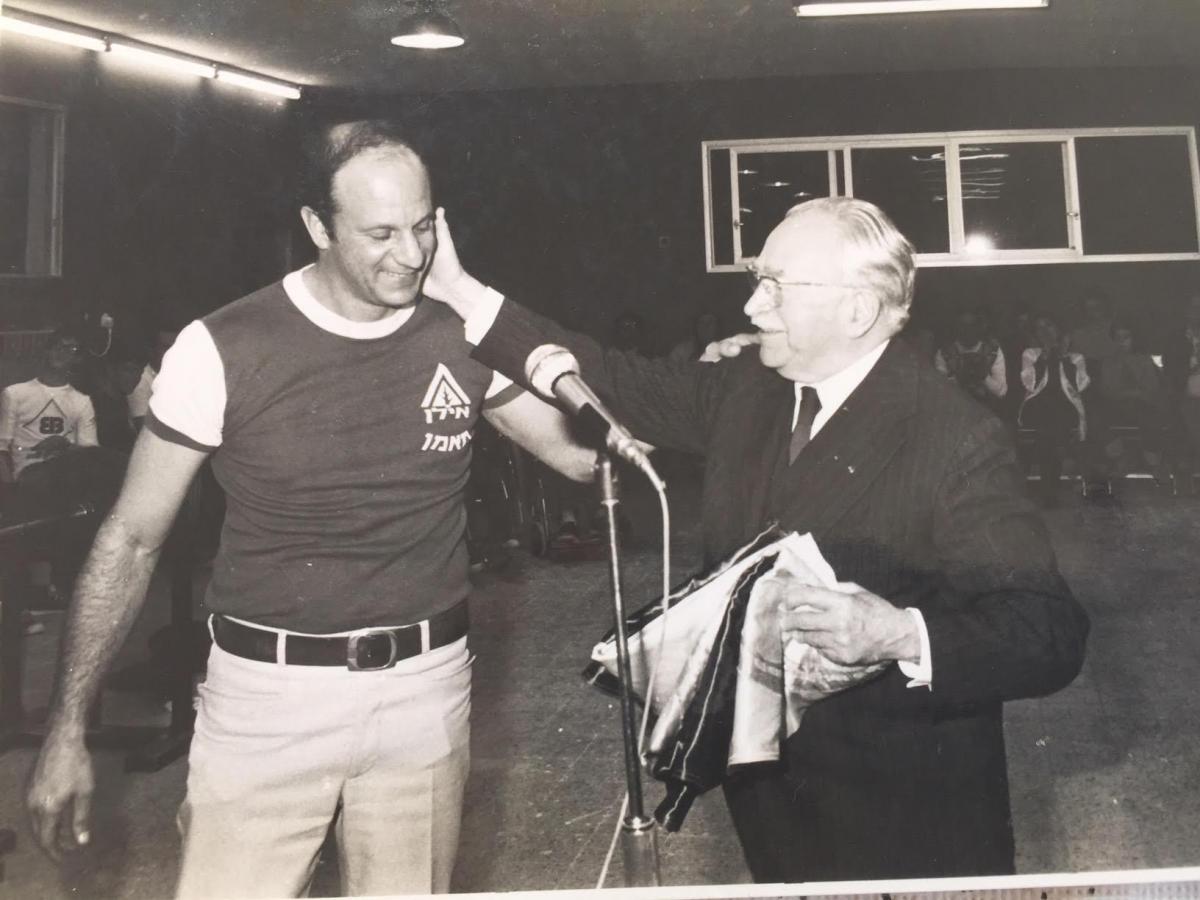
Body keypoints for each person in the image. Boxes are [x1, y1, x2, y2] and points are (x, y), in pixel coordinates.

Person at [422, 196, 1088, 882]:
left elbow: (1048, 632)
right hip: (772, 800)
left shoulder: (952, 436)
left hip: (910, 816)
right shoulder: (749, 387)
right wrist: (455, 289)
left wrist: (900, 633)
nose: (752, 308)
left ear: (856, 310)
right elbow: (608, 374)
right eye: (756, 281)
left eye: (776, 286)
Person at [26, 120, 596, 898]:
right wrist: (66, 729)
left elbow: (581, 453)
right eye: (379, 233)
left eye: (424, 227)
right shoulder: (223, 344)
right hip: (268, 699)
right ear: (317, 228)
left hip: (425, 691)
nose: (411, 255)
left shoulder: (460, 332)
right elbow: (128, 541)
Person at [1018, 315, 1093, 503]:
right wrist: (1044, 358)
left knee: (1050, 426)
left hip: (1064, 408)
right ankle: (1051, 486)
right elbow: (1030, 383)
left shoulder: (1075, 357)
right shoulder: (1030, 354)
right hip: (1037, 407)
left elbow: (1081, 385)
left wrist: (1062, 357)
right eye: (1039, 328)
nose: (1045, 332)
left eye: (1049, 326)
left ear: (1059, 330)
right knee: (1048, 420)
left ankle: (1048, 490)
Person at [933, 307, 1007, 414]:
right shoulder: (944, 353)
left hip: (987, 413)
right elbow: (938, 392)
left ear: (979, 327)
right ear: (957, 328)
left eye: (972, 325)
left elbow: (1001, 392)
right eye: (963, 326)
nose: (967, 331)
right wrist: (958, 377)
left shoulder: (993, 351)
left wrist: (984, 377)